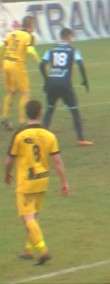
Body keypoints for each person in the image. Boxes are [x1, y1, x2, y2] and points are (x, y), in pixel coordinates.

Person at [5, 100, 69, 265]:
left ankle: (43, 251)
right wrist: (64, 182)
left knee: (28, 218)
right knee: (32, 217)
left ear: (26, 113)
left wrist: (7, 174)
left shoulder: (20, 135)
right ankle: (28, 250)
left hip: (27, 182)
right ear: (40, 113)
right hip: (42, 180)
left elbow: (9, 160)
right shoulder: (49, 135)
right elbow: (57, 161)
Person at [39, 28, 93, 146]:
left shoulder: (51, 50)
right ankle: (81, 139)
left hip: (52, 83)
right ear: (68, 36)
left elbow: (42, 64)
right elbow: (80, 64)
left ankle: (41, 138)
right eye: (71, 37)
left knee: (49, 110)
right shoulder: (73, 51)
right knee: (74, 111)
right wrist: (84, 80)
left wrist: (46, 80)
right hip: (65, 85)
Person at [1, 16, 41, 129]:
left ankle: (5, 117)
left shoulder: (12, 33)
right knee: (25, 93)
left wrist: (0, 61)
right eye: (34, 25)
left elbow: (1, 46)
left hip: (6, 63)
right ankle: (23, 122)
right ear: (30, 25)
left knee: (11, 92)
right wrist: (40, 63)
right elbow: (31, 51)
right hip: (17, 66)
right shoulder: (28, 36)